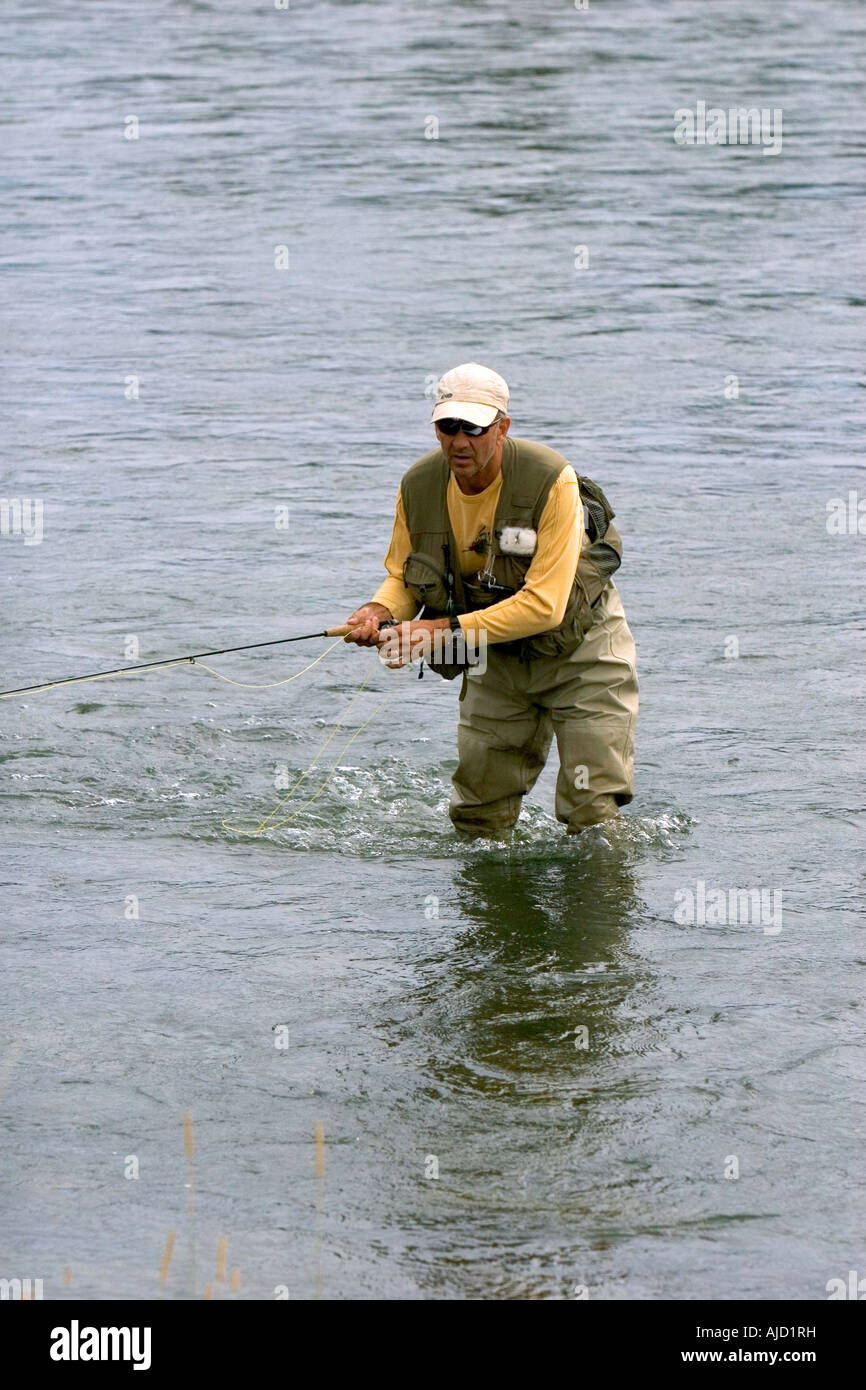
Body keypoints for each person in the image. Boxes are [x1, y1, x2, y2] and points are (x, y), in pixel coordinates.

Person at [344, 363, 638, 835]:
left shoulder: (551, 480)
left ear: (502, 427)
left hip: (583, 653)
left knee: (592, 813)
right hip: (495, 658)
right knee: (478, 817)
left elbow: (545, 605)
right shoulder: (418, 486)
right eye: (448, 426)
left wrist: (435, 631)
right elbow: (402, 575)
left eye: (475, 428)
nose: (460, 442)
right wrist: (379, 612)